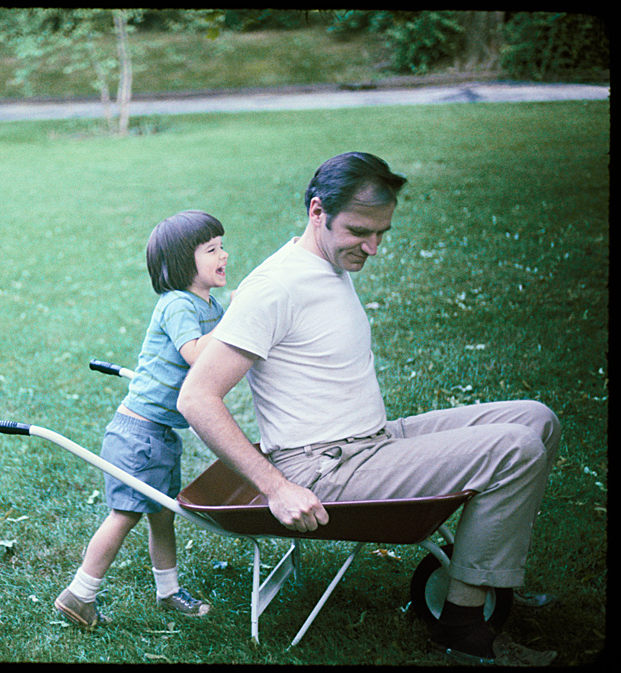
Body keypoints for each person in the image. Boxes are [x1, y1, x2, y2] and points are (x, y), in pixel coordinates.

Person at [177, 152, 559, 666]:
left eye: (382, 232)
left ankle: (487, 569)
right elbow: (197, 397)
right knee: (513, 449)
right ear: (318, 212)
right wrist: (277, 487)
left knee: (536, 419)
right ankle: (464, 631)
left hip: (370, 441)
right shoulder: (274, 287)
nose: (373, 248)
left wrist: (353, 242)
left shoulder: (329, 262)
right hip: (322, 466)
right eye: (360, 231)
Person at [54, 210, 229, 629]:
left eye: (222, 245)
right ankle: (79, 594)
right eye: (212, 250)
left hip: (161, 433)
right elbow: (195, 354)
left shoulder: (209, 303)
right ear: (185, 263)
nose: (224, 254)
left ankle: (168, 591)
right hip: (139, 434)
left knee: (163, 514)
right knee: (124, 515)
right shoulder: (176, 305)